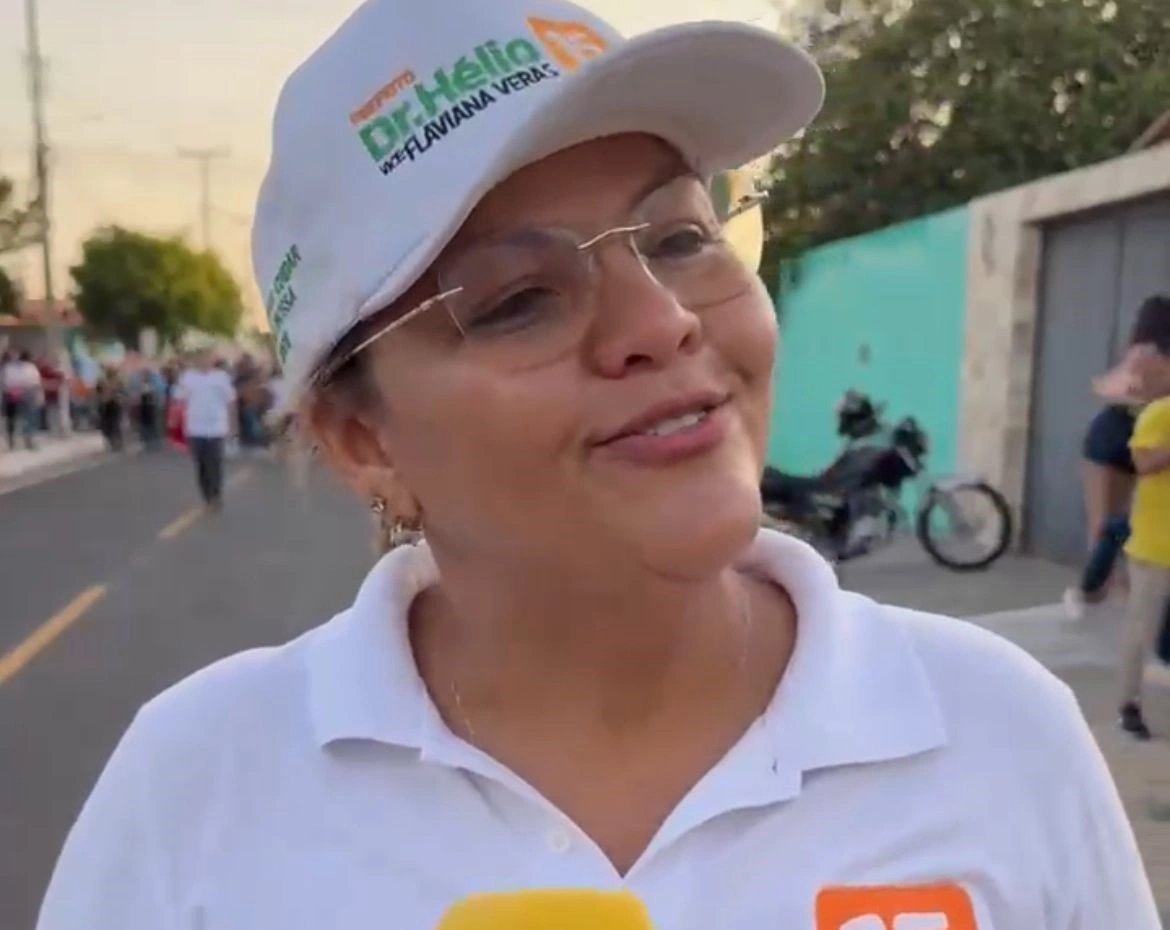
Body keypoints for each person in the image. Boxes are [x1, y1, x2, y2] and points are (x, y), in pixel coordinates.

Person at [38, 2, 1158, 928]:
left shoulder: (997, 731)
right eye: (518, 301)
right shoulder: (200, 789)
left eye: (679, 236)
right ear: (363, 438)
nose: (662, 321)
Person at [1064, 295, 1170, 619]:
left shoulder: (1144, 355)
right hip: (1117, 442)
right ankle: (1090, 592)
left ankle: (1104, 592)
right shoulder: (1144, 355)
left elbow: (1107, 387)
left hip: (1127, 442)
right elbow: (1109, 387)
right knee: (1110, 526)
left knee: (1121, 525)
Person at [1116, 384, 1170, 739]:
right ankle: (1128, 705)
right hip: (1156, 547)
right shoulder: (1160, 413)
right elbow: (1142, 462)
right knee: (1141, 629)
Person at [175, 350, 236, 508]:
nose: (205, 361)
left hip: (216, 427)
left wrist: (233, 425)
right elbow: (179, 400)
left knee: (215, 462)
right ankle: (206, 493)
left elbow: (231, 402)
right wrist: (175, 423)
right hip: (195, 428)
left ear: (213, 360)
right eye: (201, 358)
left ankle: (216, 494)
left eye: (208, 358)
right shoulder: (188, 377)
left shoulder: (221, 377)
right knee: (201, 463)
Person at [1, 349, 43, 451]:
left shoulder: (9, 367)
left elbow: (4, 381)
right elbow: (36, 381)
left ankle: (16, 441)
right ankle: (26, 440)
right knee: (27, 417)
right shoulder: (29, 367)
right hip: (23, 392)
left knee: (15, 418)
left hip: (14, 392)